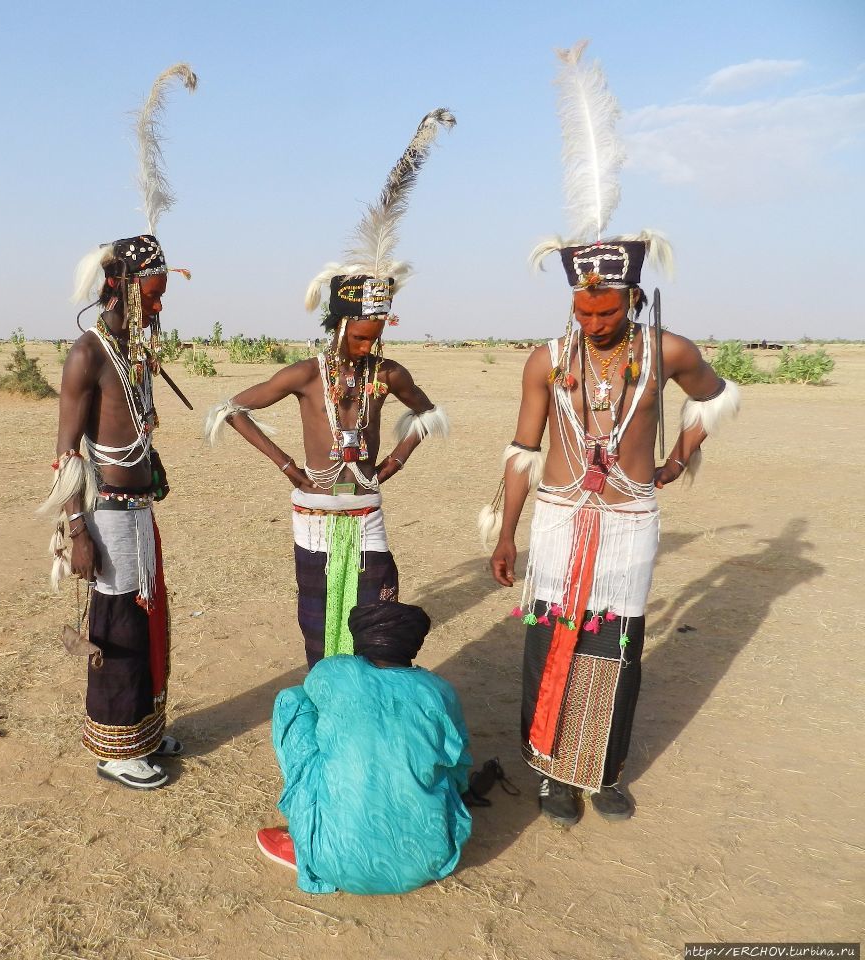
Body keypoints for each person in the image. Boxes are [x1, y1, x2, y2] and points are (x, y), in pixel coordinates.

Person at [479, 41, 739, 825]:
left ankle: (603, 768)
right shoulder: (545, 360)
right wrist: (506, 529)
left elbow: (719, 398)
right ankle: (554, 771)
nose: (594, 323)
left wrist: (680, 455)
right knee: (551, 638)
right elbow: (523, 449)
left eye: (607, 311)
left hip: (627, 521)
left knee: (614, 645)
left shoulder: (668, 351)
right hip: (560, 516)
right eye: (582, 311)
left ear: (632, 297)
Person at [205, 109, 456, 668]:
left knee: (374, 614)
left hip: (366, 506)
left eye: (377, 337)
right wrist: (288, 467)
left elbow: (428, 413)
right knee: (317, 616)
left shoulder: (387, 374)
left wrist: (395, 458)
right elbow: (232, 409)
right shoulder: (302, 375)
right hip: (312, 509)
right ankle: (325, 696)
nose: (369, 347)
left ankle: (369, 696)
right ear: (340, 326)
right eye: (362, 337)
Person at [38, 64, 197, 791]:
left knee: (147, 621)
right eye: (151, 297)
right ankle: (116, 746)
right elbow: (65, 451)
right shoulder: (87, 353)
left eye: (162, 298)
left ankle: (145, 731)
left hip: (138, 511)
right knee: (120, 627)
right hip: (104, 515)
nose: (158, 309)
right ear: (118, 287)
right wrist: (73, 530)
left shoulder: (135, 349)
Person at [257, 602, 473, 894]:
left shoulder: (332, 672)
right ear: (413, 646)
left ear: (359, 638)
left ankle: (310, 833)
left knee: (292, 701)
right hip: (429, 858)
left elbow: (309, 699)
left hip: (332, 861)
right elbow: (459, 771)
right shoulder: (439, 691)